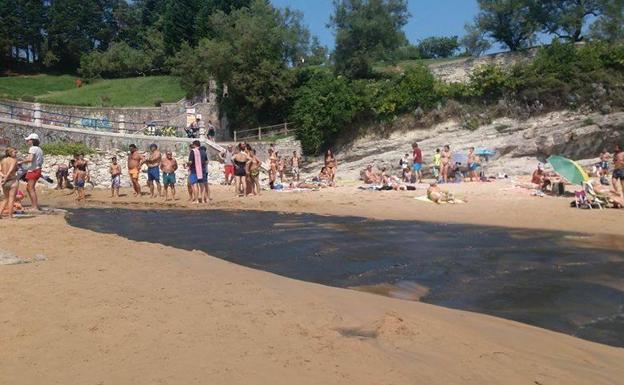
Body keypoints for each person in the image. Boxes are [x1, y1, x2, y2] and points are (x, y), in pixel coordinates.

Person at [20, 133, 44, 211]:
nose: (27, 141)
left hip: (33, 170)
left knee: (30, 188)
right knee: (29, 188)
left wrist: (19, 162)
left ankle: (34, 207)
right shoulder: (39, 149)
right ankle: (34, 205)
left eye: (28, 140)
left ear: (32, 141)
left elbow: (30, 159)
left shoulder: (32, 148)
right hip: (37, 169)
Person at [0, 147, 19, 218]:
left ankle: (0, 213)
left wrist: (3, 177)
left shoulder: (3, 160)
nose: (16, 153)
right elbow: (10, 170)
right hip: (12, 180)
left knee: (5, 198)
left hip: (4, 182)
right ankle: (10, 215)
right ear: (10, 153)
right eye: (15, 152)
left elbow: (0, 171)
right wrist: (6, 177)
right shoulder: (13, 160)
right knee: (11, 198)